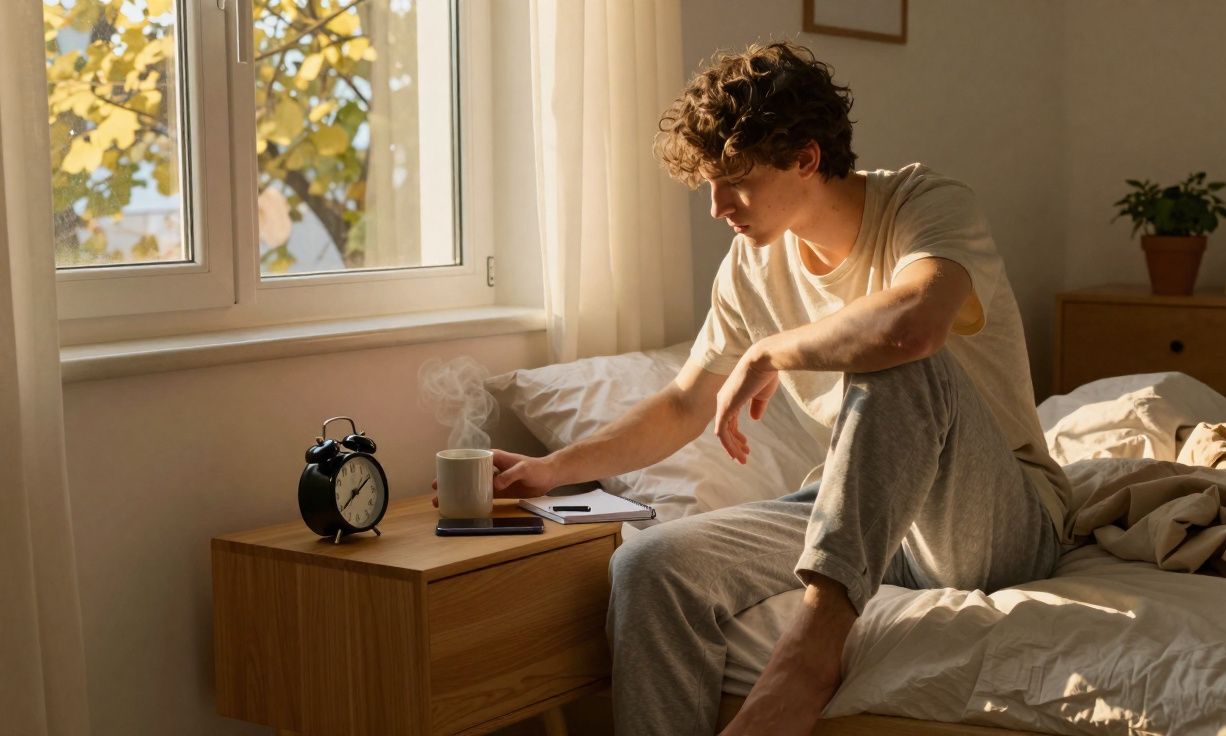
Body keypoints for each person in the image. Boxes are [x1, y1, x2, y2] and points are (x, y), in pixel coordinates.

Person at [434, 41, 1071, 736]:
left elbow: (912, 328)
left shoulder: (927, 205)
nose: (716, 207)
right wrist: (550, 470)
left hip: (994, 520)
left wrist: (773, 350)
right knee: (648, 567)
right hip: (862, 515)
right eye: (709, 183)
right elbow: (684, 404)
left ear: (805, 157)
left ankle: (809, 655)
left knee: (901, 363)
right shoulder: (751, 263)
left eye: (733, 178)